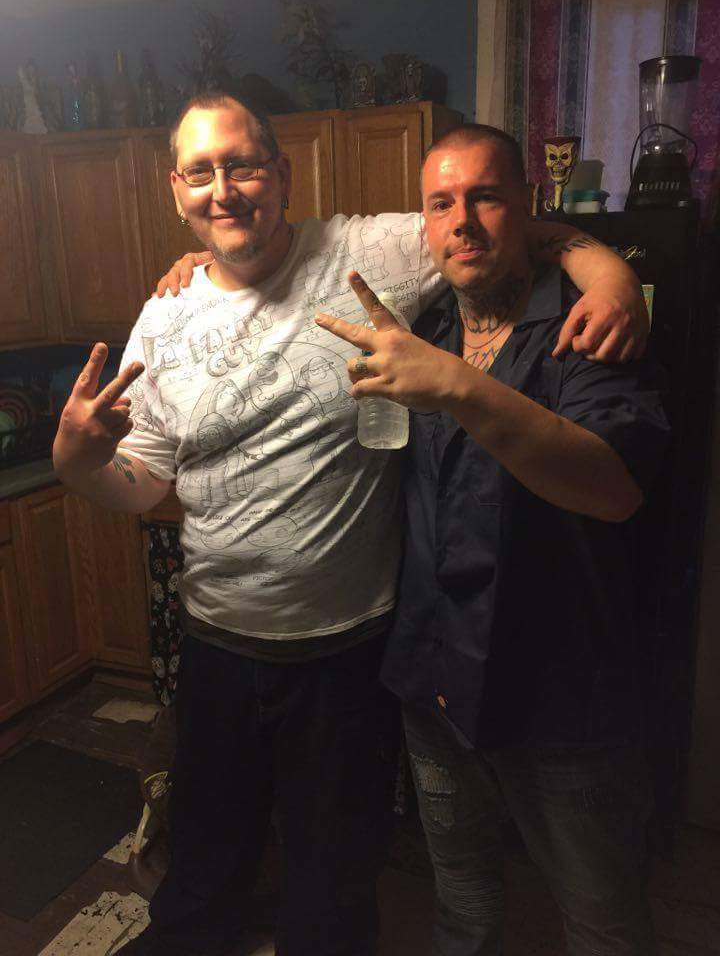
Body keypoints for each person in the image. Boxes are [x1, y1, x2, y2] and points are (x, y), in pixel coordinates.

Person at [53, 90, 648, 956]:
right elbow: (143, 487)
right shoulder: (163, 317)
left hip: (348, 652)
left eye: (242, 165)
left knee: (332, 885)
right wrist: (77, 465)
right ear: (176, 191)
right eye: (200, 173)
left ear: (282, 174)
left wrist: (615, 277)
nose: (223, 189)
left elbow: (499, 227)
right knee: (202, 868)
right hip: (217, 644)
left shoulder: (368, 249)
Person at [316, 124, 668, 955]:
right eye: (441, 204)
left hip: (562, 696)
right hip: (435, 679)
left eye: (485, 197)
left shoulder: (589, 325)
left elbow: (614, 489)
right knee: (463, 904)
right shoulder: (426, 324)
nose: (462, 222)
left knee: (604, 924)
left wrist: (462, 389)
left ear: (528, 207)